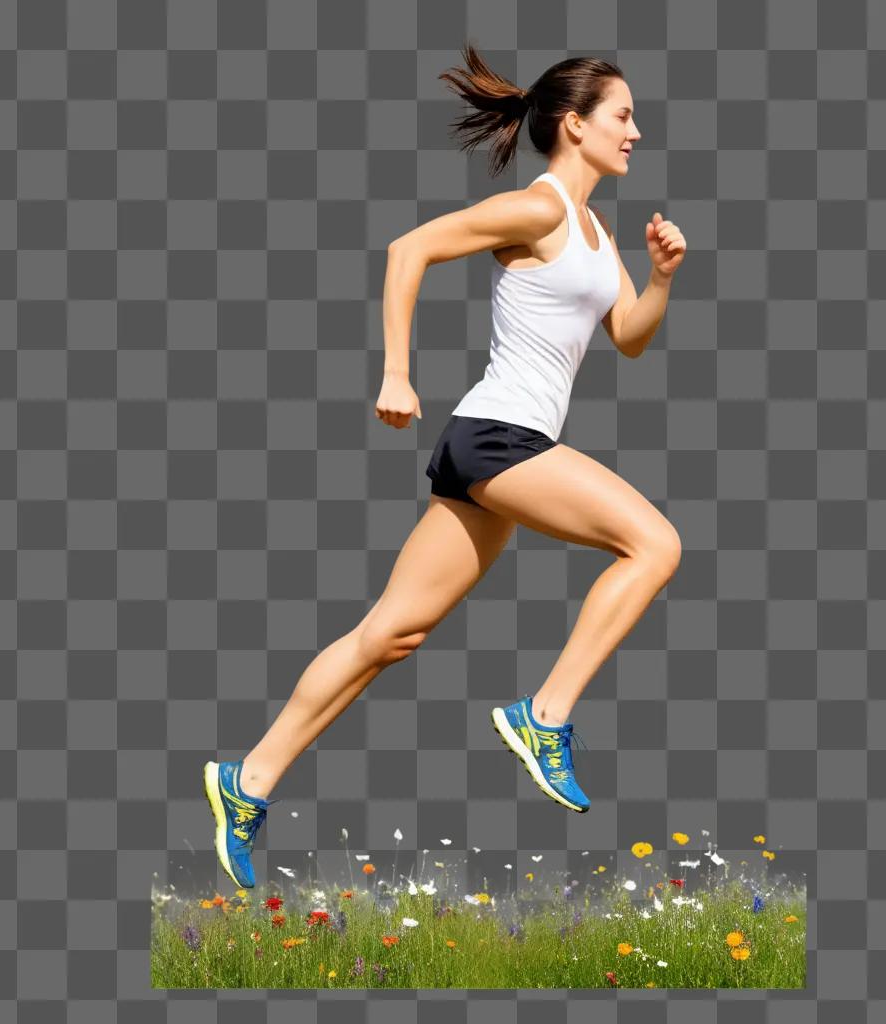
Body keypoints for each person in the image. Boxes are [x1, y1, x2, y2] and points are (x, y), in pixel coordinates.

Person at [205, 42, 687, 887]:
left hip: (497, 449)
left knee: (392, 632)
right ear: (574, 125)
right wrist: (396, 370)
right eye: (622, 116)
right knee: (654, 545)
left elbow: (631, 340)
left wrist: (660, 278)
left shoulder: (597, 231)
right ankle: (546, 717)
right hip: (502, 439)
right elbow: (408, 249)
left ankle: (245, 783)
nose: (635, 132)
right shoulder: (536, 211)